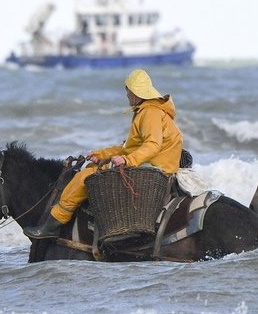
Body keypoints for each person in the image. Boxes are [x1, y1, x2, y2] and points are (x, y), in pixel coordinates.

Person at [23, 69, 184, 239]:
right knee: (94, 166)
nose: (127, 94)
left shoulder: (150, 113)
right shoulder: (148, 111)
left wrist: (127, 160)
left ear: (136, 93)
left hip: (155, 168)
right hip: (157, 164)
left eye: (128, 90)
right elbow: (128, 147)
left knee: (84, 178)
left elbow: (152, 145)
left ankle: (52, 226)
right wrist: (101, 154)